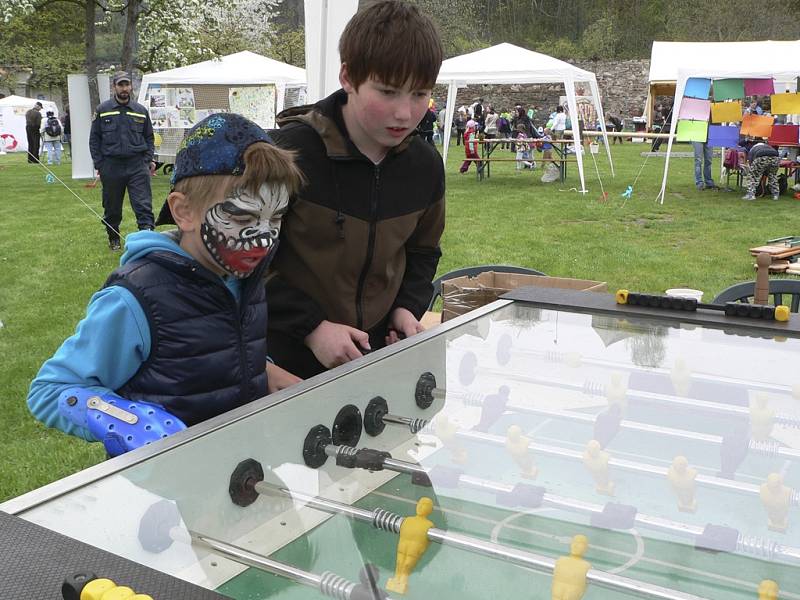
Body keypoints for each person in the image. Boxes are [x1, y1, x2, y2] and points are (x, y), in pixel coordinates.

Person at [27, 113, 304, 456]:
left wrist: (262, 370)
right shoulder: (136, 298)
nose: (262, 238)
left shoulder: (243, 277)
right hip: (162, 489)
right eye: (243, 218)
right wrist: (123, 419)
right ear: (183, 212)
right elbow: (51, 389)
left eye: (275, 218)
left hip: (240, 469)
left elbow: (211, 349)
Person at [266, 0, 445, 379]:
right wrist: (312, 327)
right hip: (282, 362)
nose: (404, 113)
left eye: (419, 95)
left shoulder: (426, 166)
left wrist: (407, 308)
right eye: (388, 91)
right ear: (348, 77)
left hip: (375, 359)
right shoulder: (288, 153)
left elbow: (423, 252)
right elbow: (244, 262)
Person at [90, 71, 156, 251]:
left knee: (143, 204)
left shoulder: (141, 111)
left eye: (127, 84)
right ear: (114, 87)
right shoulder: (103, 110)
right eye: (121, 85)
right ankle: (114, 238)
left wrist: (147, 159)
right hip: (111, 166)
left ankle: (147, 239)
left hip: (137, 165)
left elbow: (149, 137)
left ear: (131, 86)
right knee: (112, 207)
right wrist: (100, 164)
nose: (124, 88)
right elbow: (94, 139)